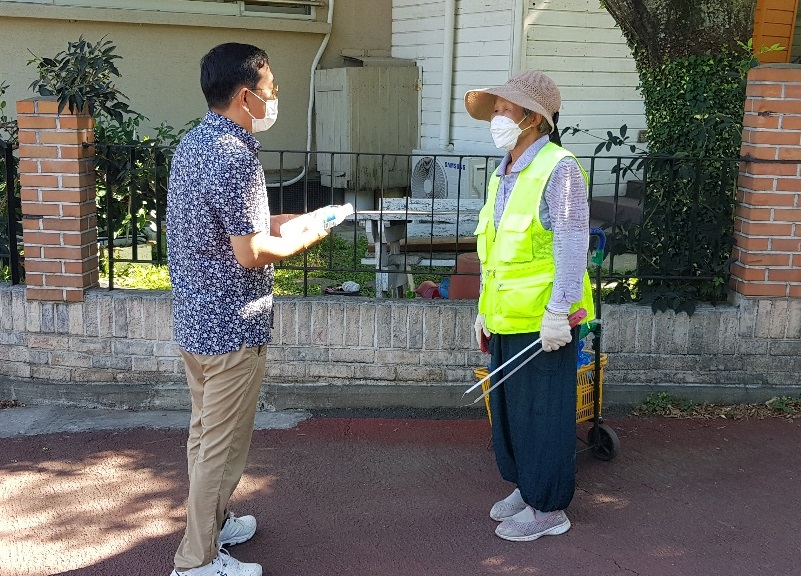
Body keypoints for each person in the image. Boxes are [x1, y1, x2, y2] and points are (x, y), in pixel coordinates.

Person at [166, 43, 329, 576]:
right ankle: (195, 561)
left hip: (197, 322)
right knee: (223, 447)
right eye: (271, 87)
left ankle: (213, 523)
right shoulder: (237, 154)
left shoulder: (196, 142)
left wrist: (299, 220)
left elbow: (238, 224)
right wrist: (308, 239)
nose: (274, 95)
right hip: (233, 327)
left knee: (204, 437)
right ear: (245, 96)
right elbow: (250, 250)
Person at [464, 70, 595, 542]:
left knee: (544, 414)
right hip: (506, 316)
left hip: (545, 321)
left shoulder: (557, 168)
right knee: (511, 412)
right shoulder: (505, 171)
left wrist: (560, 310)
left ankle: (549, 509)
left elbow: (571, 240)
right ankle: (528, 486)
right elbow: (494, 248)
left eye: (505, 109)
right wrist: (481, 308)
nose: (497, 116)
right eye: (495, 108)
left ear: (534, 119)